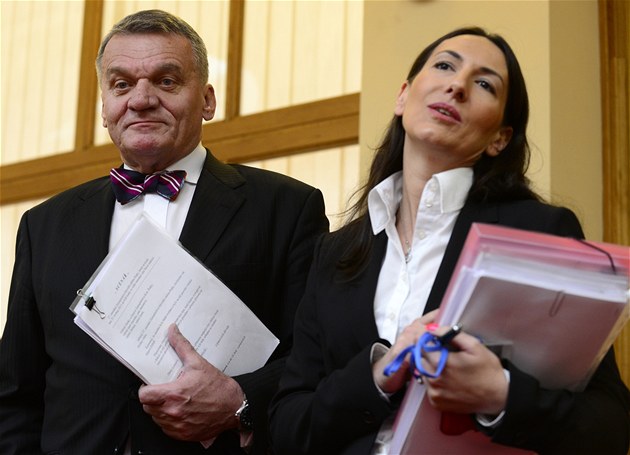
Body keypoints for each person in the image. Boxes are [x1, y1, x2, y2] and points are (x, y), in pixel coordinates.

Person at [268, 27, 630, 455]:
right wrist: (379, 374)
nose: (457, 85)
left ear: (499, 138)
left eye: (484, 84)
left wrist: (500, 395)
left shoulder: (537, 232)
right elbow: (287, 424)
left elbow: (610, 424)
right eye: (444, 65)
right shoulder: (336, 252)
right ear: (403, 96)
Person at [0, 9, 328, 455]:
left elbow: (315, 360)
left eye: (166, 81)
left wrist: (241, 401)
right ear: (104, 108)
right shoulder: (44, 225)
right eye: (121, 84)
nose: (141, 99)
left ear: (207, 101)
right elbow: (16, 394)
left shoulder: (286, 208)